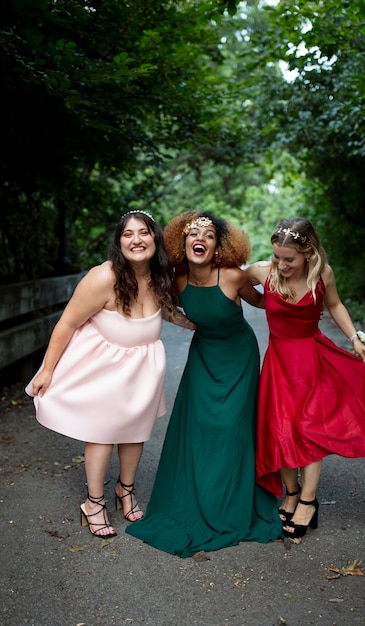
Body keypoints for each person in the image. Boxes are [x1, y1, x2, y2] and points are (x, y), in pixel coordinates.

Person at [25, 210, 194, 538]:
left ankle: (125, 490)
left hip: (145, 364)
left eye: (143, 233)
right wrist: (47, 369)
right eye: (128, 234)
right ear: (119, 242)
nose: (136, 240)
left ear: (154, 239)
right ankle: (94, 503)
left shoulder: (160, 275)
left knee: (135, 431)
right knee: (101, 432)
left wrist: (202, 325)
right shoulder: (104, 277)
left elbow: (168, 310)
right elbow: (68, 322)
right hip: (104, 364)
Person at [126, 211, 284, 556]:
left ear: (218, 247)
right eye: (193, 233)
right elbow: (157, 302)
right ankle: (196, 495)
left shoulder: (231, 276)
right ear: (182, 243)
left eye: (209, 235)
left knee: (230, 427)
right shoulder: (176, 278)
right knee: (198, 427)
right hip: (203, 356)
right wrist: (182, 321)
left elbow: (266, 301)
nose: (200, 238)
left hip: (238, 356)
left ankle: (228, 501)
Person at [246, 217, 365, 540]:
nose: (281, 264)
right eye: (277, 256)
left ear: (307, 253)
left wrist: (355, 338)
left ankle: (307, 500)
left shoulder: (322, 275)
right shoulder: (263, 271)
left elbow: (335, 305)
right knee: (280, 429)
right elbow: (231, 280)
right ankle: (291, 491)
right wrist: (257, 300)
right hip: (278, 362)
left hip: (312, 359)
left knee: (308, 429)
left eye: (289, 259)